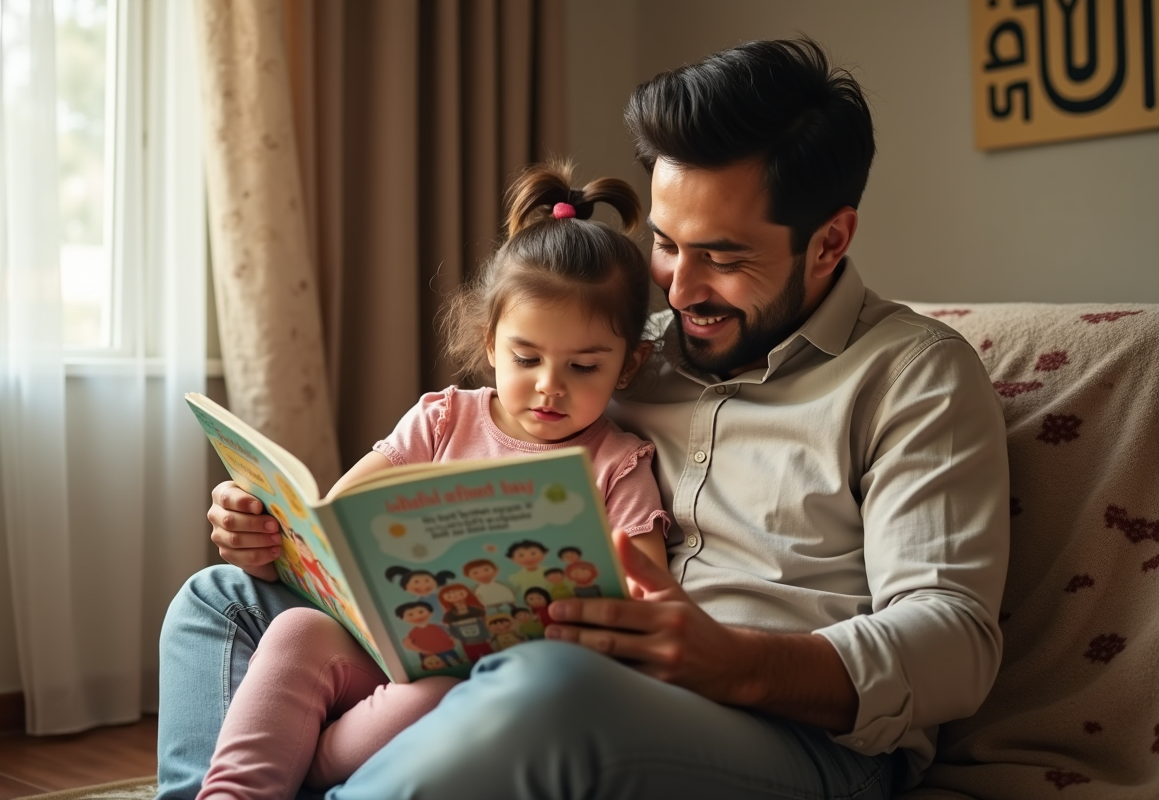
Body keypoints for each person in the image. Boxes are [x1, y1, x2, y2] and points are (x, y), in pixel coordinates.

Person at [159, 37, 1010, 800]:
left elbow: (955, 640)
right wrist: (284, 539)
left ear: (829, 241)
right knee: (223, 600)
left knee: (544, 688)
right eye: (670, 245)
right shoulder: (617, 353)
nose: (677, 291)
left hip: (799, 740)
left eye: (723, 258)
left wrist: (737, 662)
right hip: (544, 665)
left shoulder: (915, 376)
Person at [179, 161, 672, 800]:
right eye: (527, 359)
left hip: (490, 679)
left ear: (629, 365)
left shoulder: (619, 464)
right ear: (490, 343)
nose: (551, 385)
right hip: (382, 639)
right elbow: (335, 518)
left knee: (435, 697)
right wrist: (268, 522)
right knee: (295, 631)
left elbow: (646, 600)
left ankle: (305, 777)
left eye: (583, 366)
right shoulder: (443, 419)